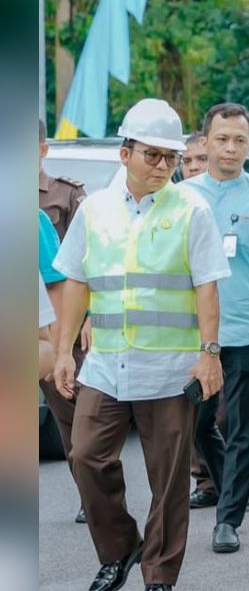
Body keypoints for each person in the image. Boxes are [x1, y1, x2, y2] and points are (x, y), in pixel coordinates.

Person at [51, 98, 229, 591]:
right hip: (107, 365)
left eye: (170, 157)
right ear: (124, 153)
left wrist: (209, 355)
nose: (162, 165)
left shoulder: (193, 209)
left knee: (168, 481)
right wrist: (65, 349)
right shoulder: (96, 210)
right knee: (86, 455)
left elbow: (207, 287)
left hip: (171, 368)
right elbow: (76, 282)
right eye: (152, 154)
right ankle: (119, 548)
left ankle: (159, 576)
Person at [185, 102, 249, 554]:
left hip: (247, 330)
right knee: (196, 422)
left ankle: (228, 520)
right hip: (194, 334)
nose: (230, 148)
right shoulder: (184, 196)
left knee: (243, 427)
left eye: (239, 140)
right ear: (205, 142)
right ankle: (232, 487)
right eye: (222, 139)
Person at [38, 117, 92, 523]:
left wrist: (83, 319)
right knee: (63, 424)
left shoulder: (63, 195)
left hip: (60, 328)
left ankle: (93, 496)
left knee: (77, 420)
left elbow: (81, 265)